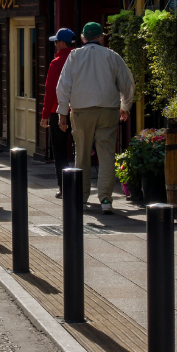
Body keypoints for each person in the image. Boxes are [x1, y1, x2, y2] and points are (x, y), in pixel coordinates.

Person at [56, 22, 135, 213]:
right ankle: (106, 199)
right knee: (106, 154)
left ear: (83, 38)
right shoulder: (111, 56)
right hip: (108, 108)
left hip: (81, 109)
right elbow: (127, 83)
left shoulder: (74, 56)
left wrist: (63, 113)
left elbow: (63, 85)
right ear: (101, 37)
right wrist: (125, 106)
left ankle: (82, 197)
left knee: (81, 154)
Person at [40, 28, 76, 199]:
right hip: (78, 110)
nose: (54, 45)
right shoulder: (79, 60)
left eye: (56, 42)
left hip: (57, 111)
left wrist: (45, 114)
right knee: (79, 149)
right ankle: (79, 186)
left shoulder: (57, 62)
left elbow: (50, 90)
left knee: (60, 151)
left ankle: (64, 187)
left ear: (62, 43)